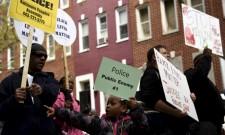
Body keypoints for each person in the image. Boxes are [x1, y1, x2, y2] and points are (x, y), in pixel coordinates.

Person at [0, 43, 60, 135]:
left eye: (45, 56)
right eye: (39, 55)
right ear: (28, 56)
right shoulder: (9, 82)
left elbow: (54, 92)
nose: (43, 58)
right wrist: (13, 100)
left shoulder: (49, 79)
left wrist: (42, 90)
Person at [137, 45, 193, 135]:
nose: (168, 55)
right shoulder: (151, 73)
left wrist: (189, 98)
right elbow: (151, 99)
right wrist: (175, 112)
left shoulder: (167, 76)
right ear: (155, 57)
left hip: (174, 125)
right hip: (163, 127)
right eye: (164, 53)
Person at [46, 95, 149, 135]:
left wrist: (135, 108)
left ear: (123, 108)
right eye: (107, 103)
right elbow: (79, 118)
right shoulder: (101, 124)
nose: (108, 106)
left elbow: (143, 127)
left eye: (112, 104)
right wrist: (58, 111)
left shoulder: (131, 124)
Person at [184, 48, 225, 135]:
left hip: (214, 124)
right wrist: (207, 56)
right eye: (206, 62)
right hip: (204, 124)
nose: (209, 65)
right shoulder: (191, 74)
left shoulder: (205, 81)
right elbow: (200, 72)